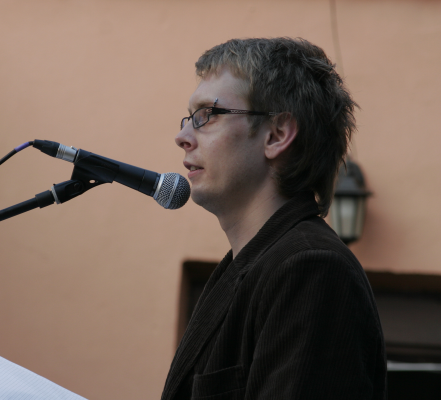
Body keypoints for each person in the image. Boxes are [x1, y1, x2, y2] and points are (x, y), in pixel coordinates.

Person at [161, 38, 387, 400]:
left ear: (277, 135)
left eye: (207, 114)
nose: (183, 137)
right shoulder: (246, 267)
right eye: (189, 117)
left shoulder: (311, 267)